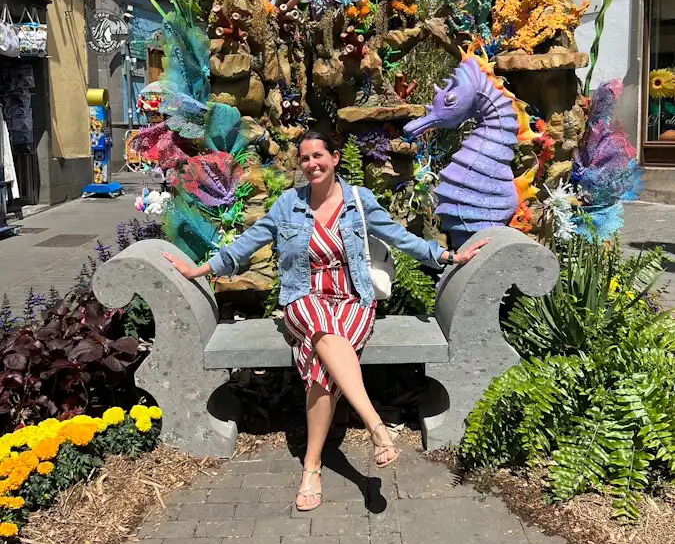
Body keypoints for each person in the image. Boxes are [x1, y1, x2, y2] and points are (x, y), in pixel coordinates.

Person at [164, 130, 488, 511]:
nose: (311, 164)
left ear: (335, 158)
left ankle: (312, 466)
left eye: (318, 156)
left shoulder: (358, 201)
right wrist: (201, 269)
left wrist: (447, 257)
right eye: (304, 158)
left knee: (321, 365)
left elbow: (400, 237)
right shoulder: (288, 205)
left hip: (352, 301)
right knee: (322, 327)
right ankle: (376, 426)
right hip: (305, 298)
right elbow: (247, 243)